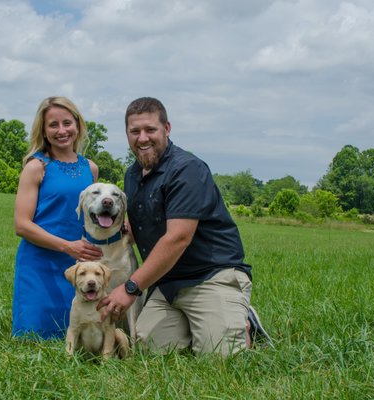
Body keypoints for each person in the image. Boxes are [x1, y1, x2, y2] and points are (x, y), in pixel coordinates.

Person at [98, 97, 271, 355]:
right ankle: (206, 324)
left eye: (150, 130)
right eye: (135, 131)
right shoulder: (132, 175)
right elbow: (136, 226)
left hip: (210, 276)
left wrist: (131, 288)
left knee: (220, 358)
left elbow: (177, 238)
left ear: (166, 129)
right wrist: (96, 242)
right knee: (149, 348)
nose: (142, 138)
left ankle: (242, 321)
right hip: (167, 282)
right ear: (127, 134)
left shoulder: (187, 170)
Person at [12, 96, 102, 339]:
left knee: (78, 336)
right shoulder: (36, 167)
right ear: (43, 130)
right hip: (39, 265)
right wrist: (67, 247)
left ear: (78, 125)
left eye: (67, 123)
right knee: (34, 338)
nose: (61, 131)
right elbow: (21, 225)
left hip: (78, 267)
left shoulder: (90, 169)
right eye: (53, 125)